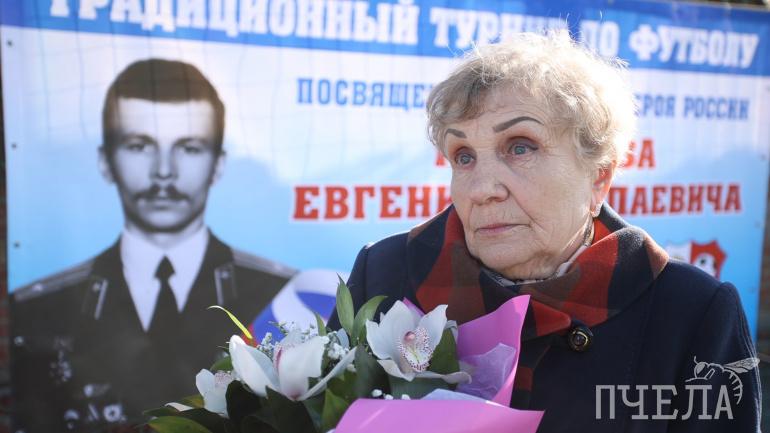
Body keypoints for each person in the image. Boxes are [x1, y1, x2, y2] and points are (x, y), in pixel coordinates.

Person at [329, 32, 761, 432]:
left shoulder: (691, 313)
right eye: (463, 156)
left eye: (520, 147)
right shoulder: (384, 273)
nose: (481, 189)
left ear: (599, 177)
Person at [10, 59, 295, 432]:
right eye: (139, 146)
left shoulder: (281, 296)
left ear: (218, 165)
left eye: (189, 148)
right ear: (105, 161)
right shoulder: (39, 307)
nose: (164, 171)